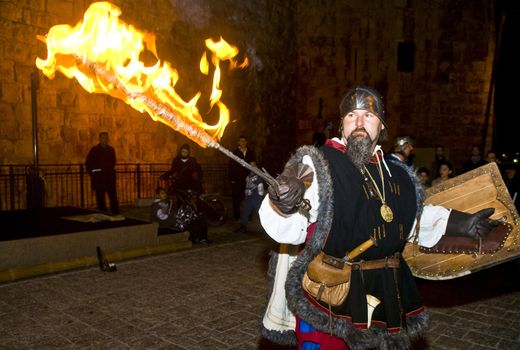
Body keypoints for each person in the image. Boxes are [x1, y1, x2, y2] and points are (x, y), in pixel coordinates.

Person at [258, 86, 498, 349]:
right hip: (329, 296)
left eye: (368, 116)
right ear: (341, 126)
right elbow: (291, 220)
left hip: (384, 291)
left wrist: (464, 223)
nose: (359, 123)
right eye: (351, 116)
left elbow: (417, 219)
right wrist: (283, 202)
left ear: (381, 126)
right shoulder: (317, 163)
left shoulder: (399, 174)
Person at [85, 131, 119, 214]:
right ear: (100, 139)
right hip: (99, 177)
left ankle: (115, 212)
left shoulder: (111, 149)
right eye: (103, 138)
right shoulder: (94, 150)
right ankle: (103, 212)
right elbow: (88, 163)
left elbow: (113, 161)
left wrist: (108, 169)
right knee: (100, 197)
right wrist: (94, 173)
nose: (105, 140)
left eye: (106, 138)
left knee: (112, 195)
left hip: (109, 177)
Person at [228, 135, 256, 220]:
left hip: (248, 179)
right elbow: (231, 166)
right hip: (237, 179)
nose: (243, 142)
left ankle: (248, 215)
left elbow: (254, 164)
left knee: (249, 197)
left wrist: (253, 176)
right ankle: (236, 215)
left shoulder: (251, 152)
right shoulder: (235, 152)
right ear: (238, 142)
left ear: (246, 142)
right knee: (237, 198)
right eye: (241, 141)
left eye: (244, 141)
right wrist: (232, 178)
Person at [235, 161, 265, 233]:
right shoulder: (248, 175)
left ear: (256, 166)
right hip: (249, 197)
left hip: (256, 197)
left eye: (253, 165)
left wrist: (260, 196)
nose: (251, 166)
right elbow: (247, 185)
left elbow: (261, 188)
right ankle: (243, 227)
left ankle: (267, 228)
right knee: (245, 211)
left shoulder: (259, 175)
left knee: (261, 213)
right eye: (250, 165)